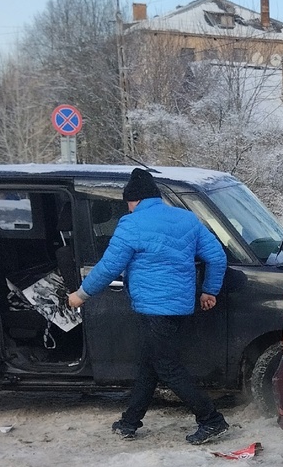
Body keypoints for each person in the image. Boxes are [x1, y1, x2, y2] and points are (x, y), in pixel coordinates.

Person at [67, 167, 231, 445]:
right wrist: (208, 291)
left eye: (128, 202)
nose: (128, 207)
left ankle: (211, 419)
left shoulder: (131, 224)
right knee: (149, 363)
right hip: (179, 307)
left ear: (134, 201)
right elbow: (217, 258)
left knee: (166, 367)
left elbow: (109, 267)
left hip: (153, 309)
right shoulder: (187, 219)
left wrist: (81, 294)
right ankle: (130, 421)